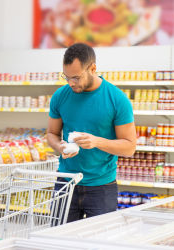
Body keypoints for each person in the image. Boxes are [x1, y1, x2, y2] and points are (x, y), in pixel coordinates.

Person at [47, 43, 136, 223]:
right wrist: (59, 146)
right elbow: (51, 133)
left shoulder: (117, 99)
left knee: (99, 243)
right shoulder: (60, 96)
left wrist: (97, 142)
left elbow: (129, 147)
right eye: (67, 77)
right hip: (66, 183)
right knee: (58, 242)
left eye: (76, 77)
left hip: (101, 187)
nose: (71, 82)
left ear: (93, 68)